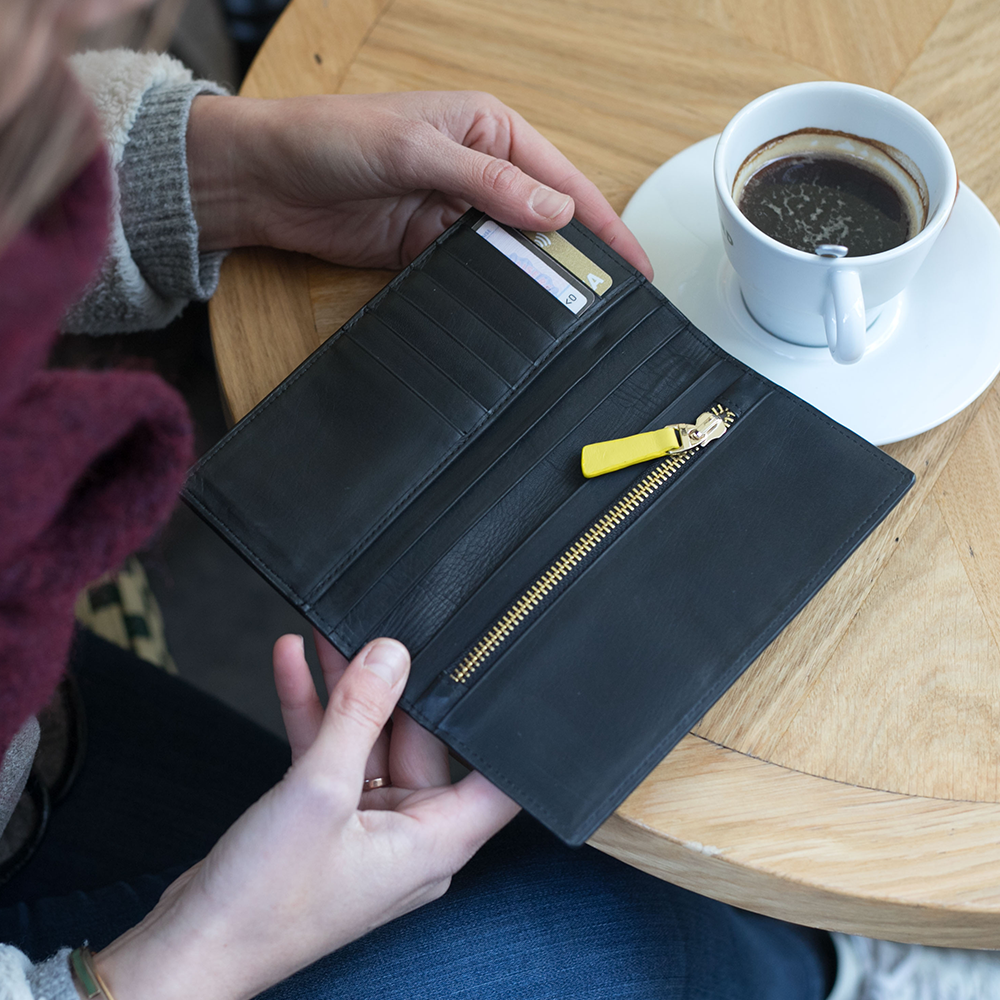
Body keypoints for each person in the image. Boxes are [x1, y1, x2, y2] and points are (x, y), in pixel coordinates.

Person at [1, 1, 998, 997]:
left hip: (38, 727)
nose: (99, 16)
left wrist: (217, 171)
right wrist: (191, 955)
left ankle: (823, 964)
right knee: (626, 925)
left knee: (596, 888)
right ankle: (839, 972)